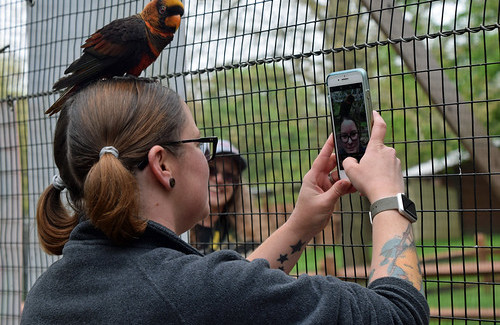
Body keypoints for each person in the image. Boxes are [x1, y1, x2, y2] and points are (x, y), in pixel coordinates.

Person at [21, 77, 429, 324]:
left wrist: (299, 225)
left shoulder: (47, 294)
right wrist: (387, 197)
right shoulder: (190, 292)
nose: (208, 159)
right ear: (163, 165)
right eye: (201, 144)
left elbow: (223, 297)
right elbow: (399, 316)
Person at [190, 139, 256, 254]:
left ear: (236, 185)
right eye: (211, 170)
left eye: (228, 176)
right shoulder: (179, 229)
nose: (219, 179)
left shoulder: (247, 233)